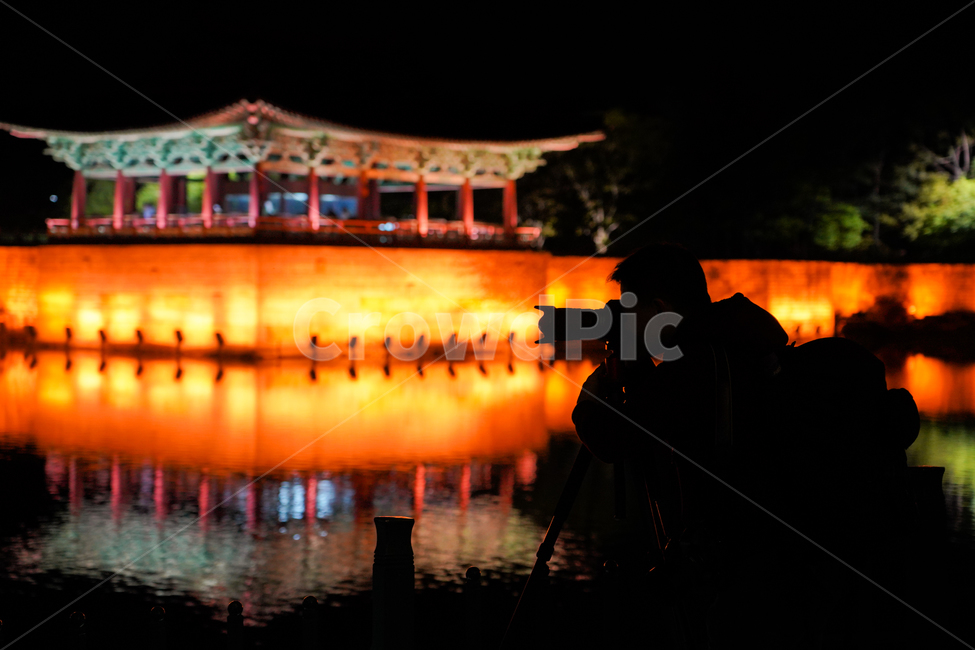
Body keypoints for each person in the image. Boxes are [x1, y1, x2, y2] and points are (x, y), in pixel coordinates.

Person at [572, 244, 919, 648]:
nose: (627, 321)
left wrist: (599, 386)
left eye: (629, 310)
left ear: (660, 306)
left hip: (760, 568)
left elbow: (611, 439)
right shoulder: (744, 345)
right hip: (819, 551)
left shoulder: (695, 368)